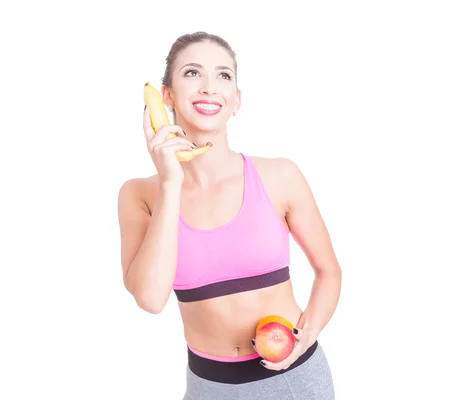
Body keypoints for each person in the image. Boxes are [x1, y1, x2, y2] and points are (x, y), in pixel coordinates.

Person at [117, 31, 342, 399]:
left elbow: (329, 271)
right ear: (167, 95)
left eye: (223, 76)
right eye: (192, 73)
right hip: (209, 387)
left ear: (236, 99)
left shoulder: (280, 175)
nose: (209, 88)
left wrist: (307, 336)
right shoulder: (139, 195)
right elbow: (151, 298)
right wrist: (171, 181)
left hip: (295, 380)